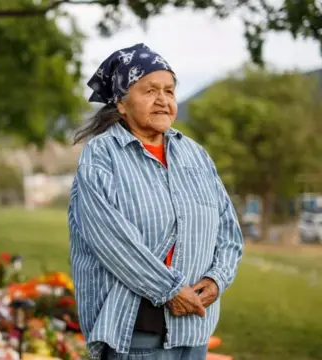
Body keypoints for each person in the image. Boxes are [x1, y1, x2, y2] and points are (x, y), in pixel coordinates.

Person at [68, 43, 244, 360]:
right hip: (137, 330)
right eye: (150, 91)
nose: (163, 100)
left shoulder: (195, 155)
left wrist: (216, 280)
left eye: (170, 91)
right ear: (121, 103)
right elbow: (111, 240)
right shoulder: (101, 156)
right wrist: (170, 291)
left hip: (194, 326)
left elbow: (228, 232)